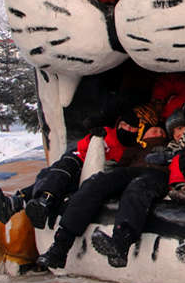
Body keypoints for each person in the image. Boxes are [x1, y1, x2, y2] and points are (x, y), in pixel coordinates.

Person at [37, 105, 170, 269]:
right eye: (154, 130)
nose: (158, 133)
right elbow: (118, 161)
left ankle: (120, 244)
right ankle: (60, 246)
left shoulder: (170, 146)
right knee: (96, 182)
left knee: (137, 188)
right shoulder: (134, 147)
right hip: (130, 170)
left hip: (157, 174)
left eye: (162, 132)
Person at [0, 106, 158, 228]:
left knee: (59, 177)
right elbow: (82, 148)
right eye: (124, 126)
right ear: (118, 124)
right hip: (80, 162)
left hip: (93, 174)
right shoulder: (107, 133)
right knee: (59, 172)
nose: (127, 129)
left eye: (131, 128)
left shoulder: (131, 149)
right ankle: (32, 201)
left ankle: (21, 202)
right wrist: (94, 139)